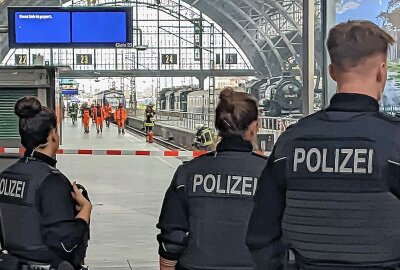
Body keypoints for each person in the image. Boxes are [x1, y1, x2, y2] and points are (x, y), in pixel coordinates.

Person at [246, 20, 400, 270]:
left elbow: (260, 236)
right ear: (382, 71)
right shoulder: (394, 141)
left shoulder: (291, 142)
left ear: (331, 72)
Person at [156, 87, 267, 270]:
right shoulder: (271, 173)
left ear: (218, 126)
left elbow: (171, 238)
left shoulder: (188, 173)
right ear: (254, 127)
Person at [0, 97, 92, 270]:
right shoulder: (52, 181)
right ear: (52, 135)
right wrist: (85, 210)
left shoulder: (6, 176)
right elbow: (66, 244)